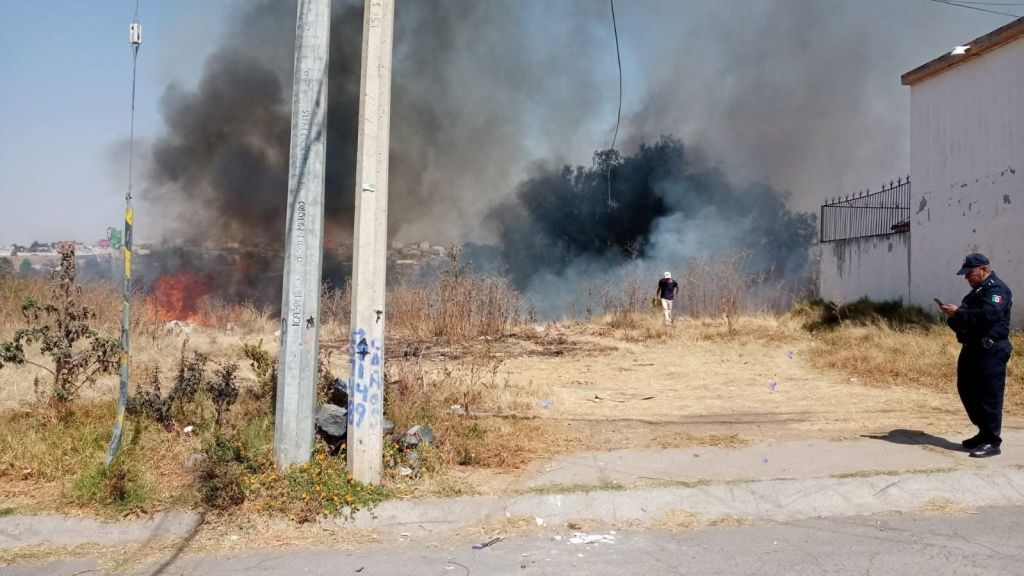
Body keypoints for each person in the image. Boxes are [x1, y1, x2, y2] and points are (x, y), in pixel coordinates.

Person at [939, 253, 1013, 458]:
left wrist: (959, 314)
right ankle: (983, 432)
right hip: (972, 349)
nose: (967, 278)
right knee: (967, 390)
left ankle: (992, 441)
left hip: (991, 351)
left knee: (989, 396)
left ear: (984, 269)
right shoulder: (975, 293)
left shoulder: (997, 290)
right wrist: (953, 317)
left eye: (970, 273)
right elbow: (966, 317)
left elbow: (989, 315)